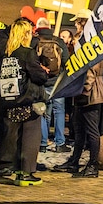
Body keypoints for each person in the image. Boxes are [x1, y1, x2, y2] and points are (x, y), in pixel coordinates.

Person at [0, 18, 48, 186]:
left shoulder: (5, 54)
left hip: (8, 102)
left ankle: (16, 169)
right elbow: (39, 76)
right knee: (31, 137)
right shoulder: (27, 52)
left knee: (15, 137)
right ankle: (26, 173)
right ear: (25, 34)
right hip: (27, 102)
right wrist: (43, 71)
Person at [57, 58, 103, 177]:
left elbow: (91, 73)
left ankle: (93, 165)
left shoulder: (92, 50)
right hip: (83, 94)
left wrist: (85, 88)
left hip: (90, 95)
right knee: (79, 129)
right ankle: (75, 161)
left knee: (91, 130)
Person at [34, 17, 70, 153]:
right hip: (58, 83)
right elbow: (67, 62)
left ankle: (43, 143)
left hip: (41, 82)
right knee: (59, 112)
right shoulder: (58, 42)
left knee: (42, 113)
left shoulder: (35, 41)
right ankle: (60, 143)